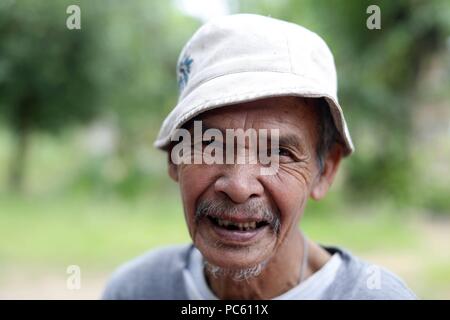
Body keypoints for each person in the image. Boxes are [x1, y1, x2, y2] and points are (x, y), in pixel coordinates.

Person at [102, 14, 416, 300]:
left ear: (325, 172)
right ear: (175, 157)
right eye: (211, 145)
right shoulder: (137, 291)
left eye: (279, 152)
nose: (238, 186)